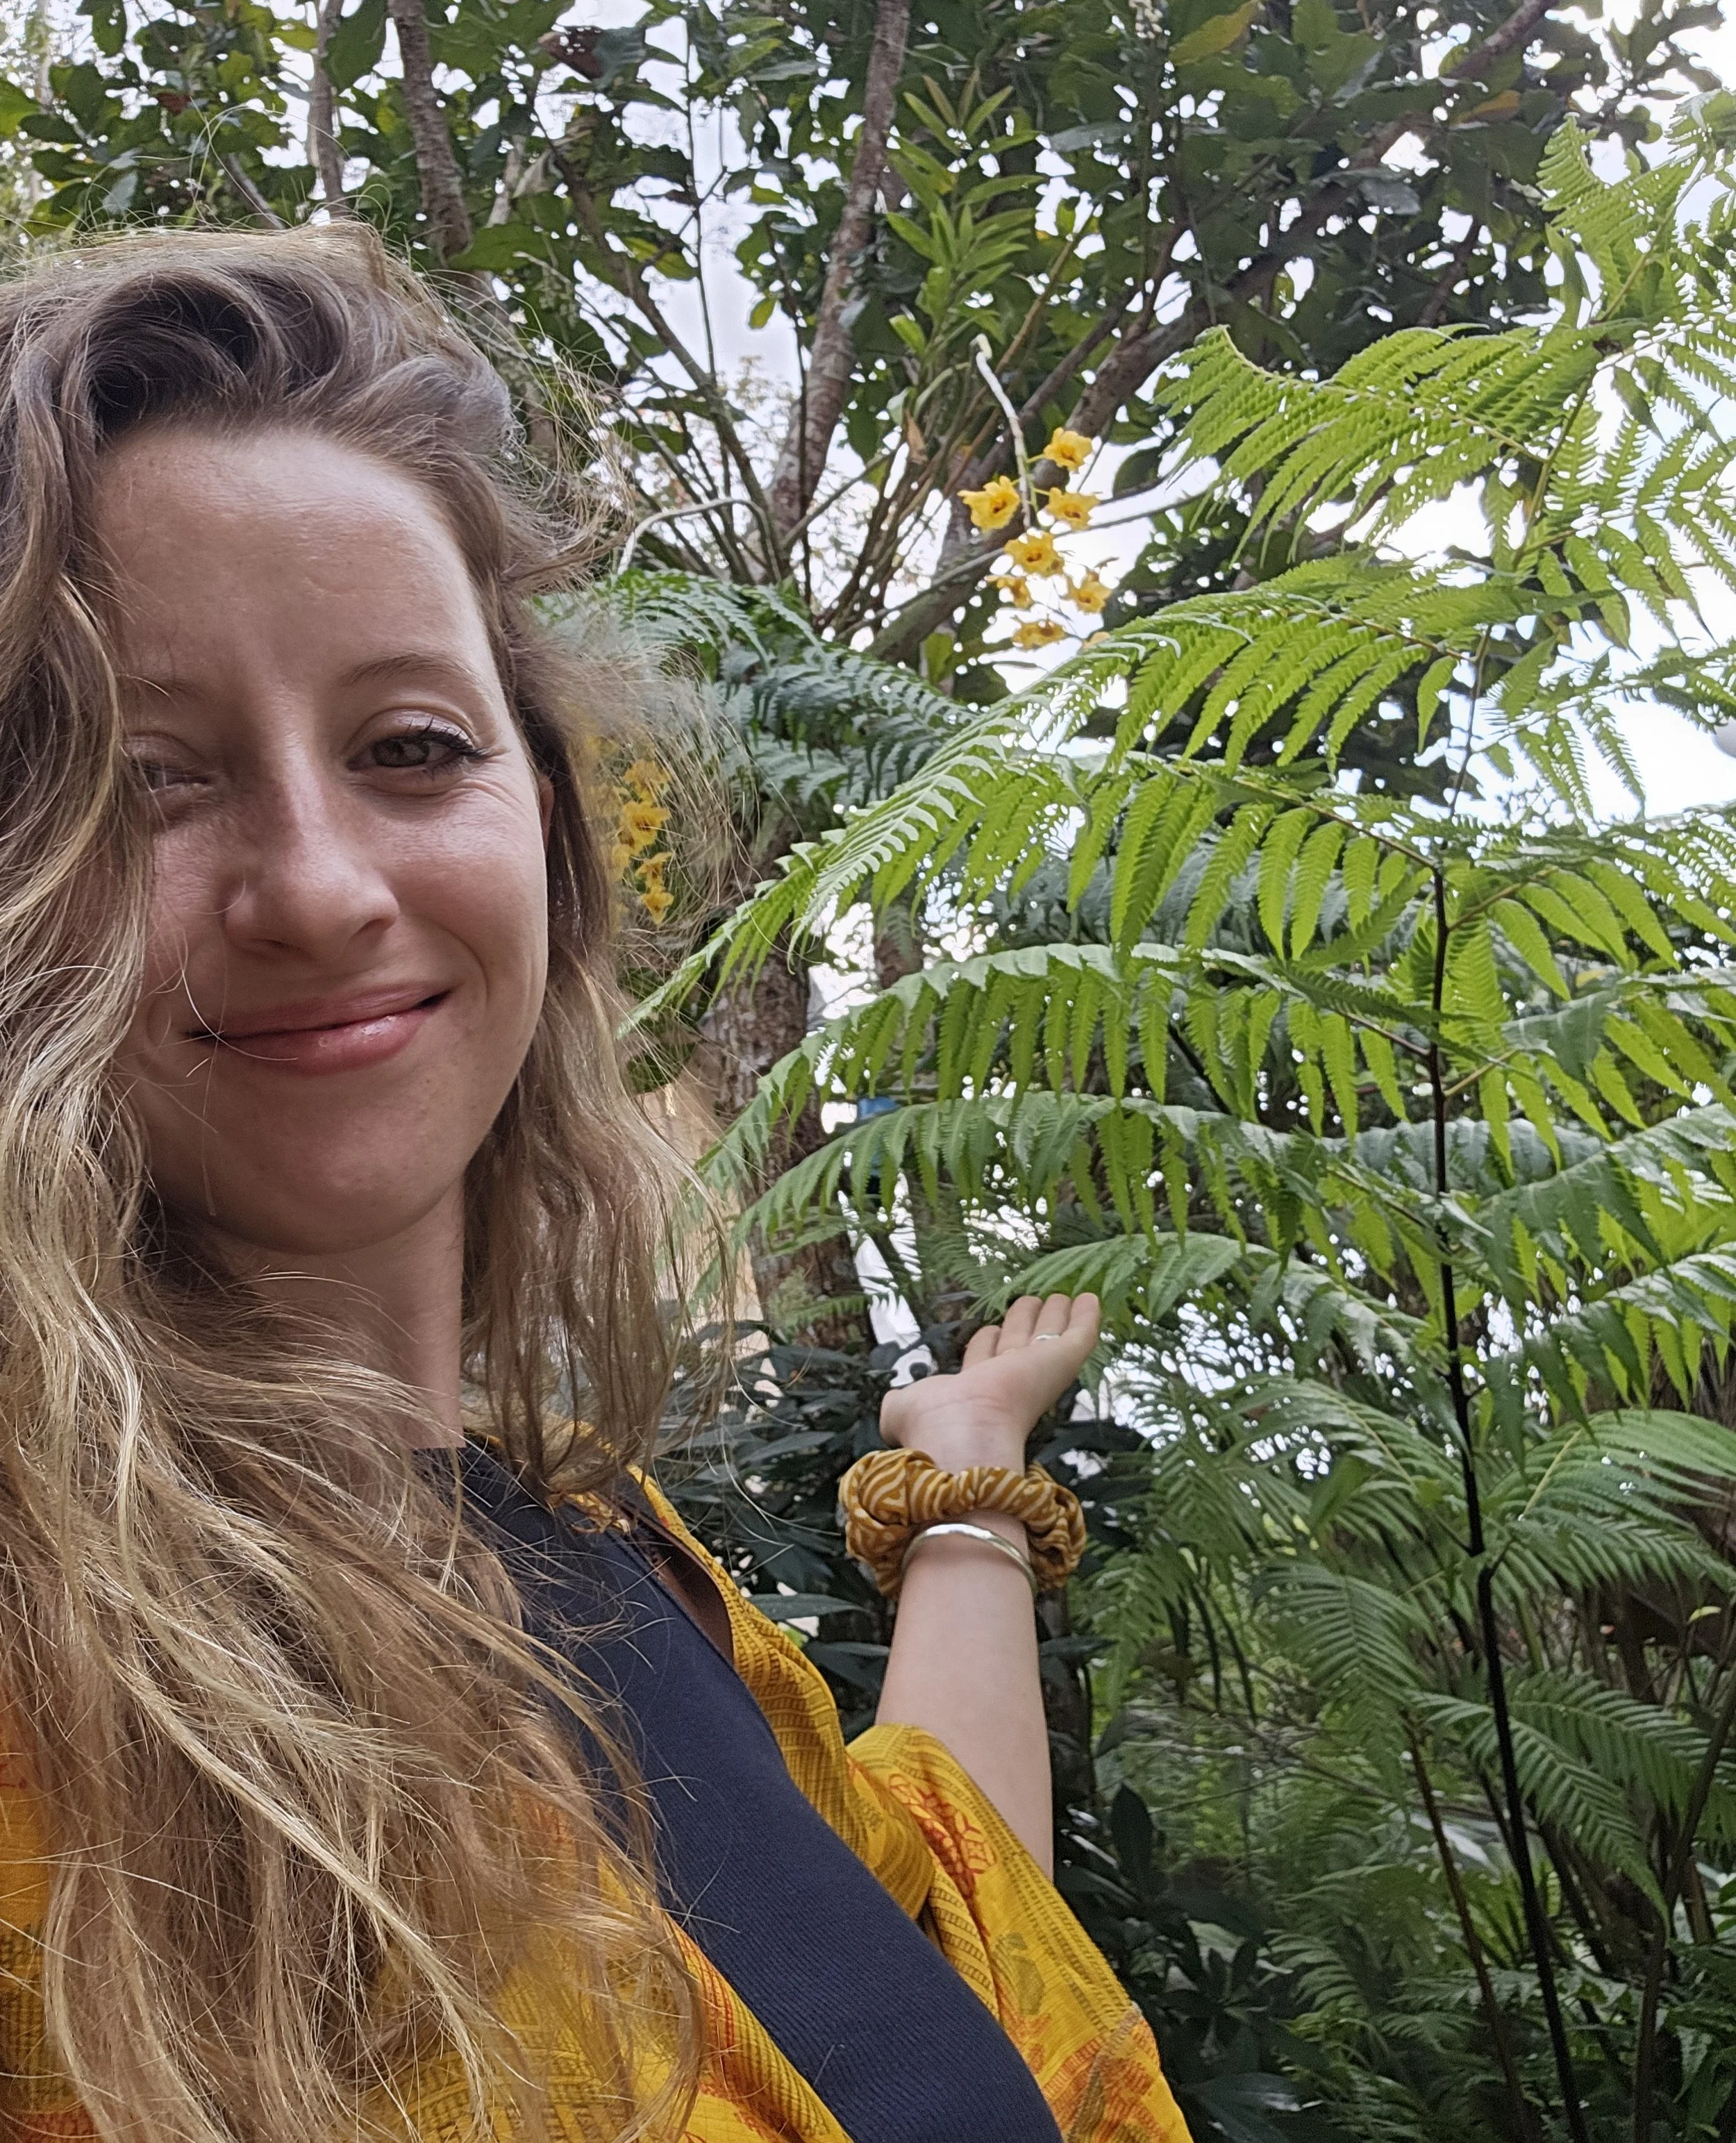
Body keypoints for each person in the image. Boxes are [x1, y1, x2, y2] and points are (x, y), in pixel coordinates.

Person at [0, 227, 1186, 2143]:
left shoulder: (590, 1553)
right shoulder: (55, 1663)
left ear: (538, 825)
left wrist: (960, 1474)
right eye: (146, 778)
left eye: (408, 744)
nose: (316, 886)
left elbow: (932, 1947)